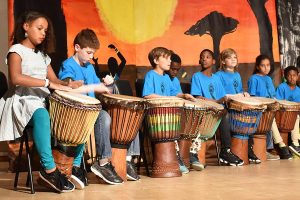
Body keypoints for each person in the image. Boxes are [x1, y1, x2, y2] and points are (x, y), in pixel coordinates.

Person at [0, 11, 84, 193]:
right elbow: (15, 78)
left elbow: (55, 80)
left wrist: (69, 84)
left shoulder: (42, 56)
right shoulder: (16, 51)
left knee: (79, 115)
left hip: (41, 100)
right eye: (39, 28)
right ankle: (49, 169)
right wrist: (47, 83)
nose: (43, 33)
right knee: (41, 113)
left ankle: (74, 166)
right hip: (23, 101)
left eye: (45, 30)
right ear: (26, 27)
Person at [59, 28, 140, 186]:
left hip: (92, 110)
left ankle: (122, 160)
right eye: (88, 52)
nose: (91, 57)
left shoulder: (89, 67)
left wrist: (106, 83)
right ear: (77, 48)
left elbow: (97, 85)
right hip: (76, 110)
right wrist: (96, 87)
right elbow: (67, 88)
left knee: (124, 114)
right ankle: (102, 162)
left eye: (93, 54)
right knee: (104, 117)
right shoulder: (67, 65)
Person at [142, 47, 196, 174]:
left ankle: (184, 155)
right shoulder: (150, 75)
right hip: (155, 116)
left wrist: (183, 95)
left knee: (186, 118)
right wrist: (167, 98)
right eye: (166, 58)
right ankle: (176, 157)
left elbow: (174, 94)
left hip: (168, 116)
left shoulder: (166, 78)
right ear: (156, 60)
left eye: (170, 58)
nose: (169, 61)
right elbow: (147, 95)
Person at [191, 49, 244, 166]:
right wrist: (216, 102)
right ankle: (223, 151)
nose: (204, 59)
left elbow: (222, 97)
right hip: (205, 110)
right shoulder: (197, 76)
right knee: (224, 115)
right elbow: (198, 97)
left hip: (217, 110)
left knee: (225, 113)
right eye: (202, 57)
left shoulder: (216, 78)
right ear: (199, 61)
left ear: (213, 61)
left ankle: (226, 151)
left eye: (208, 57)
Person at [216, 48, 261, 164]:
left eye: (235, 57)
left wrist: (245, 94)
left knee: (250, 114)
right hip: (226, 105)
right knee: (225, 116)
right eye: (229, 57)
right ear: (223, 61)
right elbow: (221, 95)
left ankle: (249, 149)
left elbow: (240, 90)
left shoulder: (237, 75)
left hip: (237, 106)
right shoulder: (218, 75)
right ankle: (225, 150)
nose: (233, 59)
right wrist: (235, 95)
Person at [247, 55, 287, 160]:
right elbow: (252, 97)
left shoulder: (269, 79)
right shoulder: (254, 79)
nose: (266, 68)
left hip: (269, 108)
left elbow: (272, 95)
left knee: (272, 117)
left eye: (268, 65)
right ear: (257, 67)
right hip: (259, 109)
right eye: (263, 65)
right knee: (270, 120)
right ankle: (276, 146)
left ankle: (273, 147)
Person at [275, 66, 300, 157]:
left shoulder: (298, 90)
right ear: (285, 77)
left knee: (296, 115)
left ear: (298, 76)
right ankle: (295, 143)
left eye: (294, 75)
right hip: (281, 114)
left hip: (293, 114)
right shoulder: (282, 87)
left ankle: (295, 143)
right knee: (296, 116)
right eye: (289, 75)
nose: (292, 77)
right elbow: (278, 102)